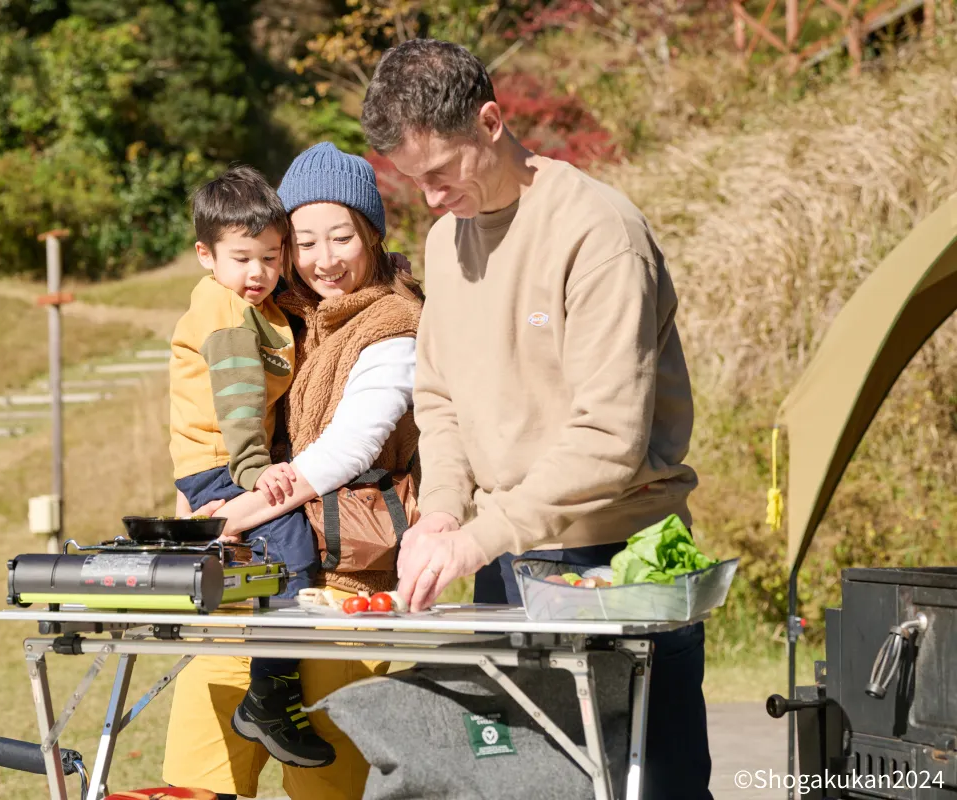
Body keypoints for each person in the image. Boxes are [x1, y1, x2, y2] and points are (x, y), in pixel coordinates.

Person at [361, 40, 713, 799]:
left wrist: (479, 534)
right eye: (410, 180)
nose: (428, 197)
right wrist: (446, 513)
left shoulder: (598, 234)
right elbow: (442, 399)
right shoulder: (446, 238)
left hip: (619, 566)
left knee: (652, 789)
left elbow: (608, 441)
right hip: (504, 562)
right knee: (528, 789)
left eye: (438, 173)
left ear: (490, 122)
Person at [163, 142, 424, 800]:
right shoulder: (272, 317)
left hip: (340, 587)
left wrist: (236, 513)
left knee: (324, 785)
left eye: (341, 236)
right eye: (304, 241)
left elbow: (350, 448)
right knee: (200, 774)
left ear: (370, 234)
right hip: (246, 580)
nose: (323, 258)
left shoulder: (393, 326)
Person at [167, 165, 331, 769]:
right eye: (242, 258)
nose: (258, 272)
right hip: (224, 463)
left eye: (270, 255)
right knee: (290, 550)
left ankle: (269, 682)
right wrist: (255, 472)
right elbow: (237, 399)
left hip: (228, 460)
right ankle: (269, 692)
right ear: (206, 256)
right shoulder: (225, 309)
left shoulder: (259, 307)